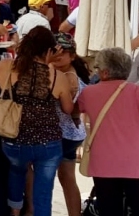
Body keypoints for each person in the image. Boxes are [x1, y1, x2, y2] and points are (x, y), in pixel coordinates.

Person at [0, 26, 74, 216]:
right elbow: (68, 109)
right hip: (48, 143)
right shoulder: (57, 77)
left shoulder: (7, 66)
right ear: (49, 51)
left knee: (16, 171)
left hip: (14, 138)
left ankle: (15, 212)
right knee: (44, 192)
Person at [78, 48, 139, 216]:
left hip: (104, 165)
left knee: (110, 211)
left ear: (105, 71)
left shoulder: (88, 93)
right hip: (137, 165)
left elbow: (72, 112)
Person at [50, 33, 89, 216]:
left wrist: (47, 63)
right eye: (54, 51)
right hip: (72, 134)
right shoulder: (70, 72)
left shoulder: (67, 77)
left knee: (44, 177)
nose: (57, 55)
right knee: (67, 179)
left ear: (72, 55)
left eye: (62, 52)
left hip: (62, 134)